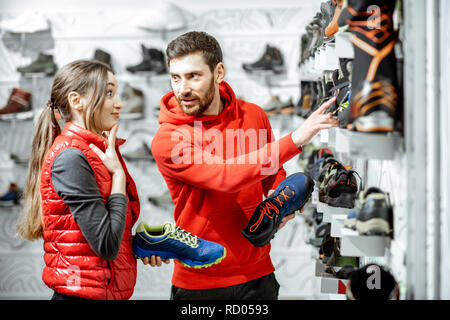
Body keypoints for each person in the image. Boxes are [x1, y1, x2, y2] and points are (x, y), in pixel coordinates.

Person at [149, 31, 339, 300]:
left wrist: (282, 202)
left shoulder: (253, 115)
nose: (182, 89)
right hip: (199, 281)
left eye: (193, 76)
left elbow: (271, 175)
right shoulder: (168, 138)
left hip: (257, 275)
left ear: (219, 72)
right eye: (175, 77)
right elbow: (224, 176)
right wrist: (296, 138)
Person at [16, 60, 146, 300]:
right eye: (109, 93)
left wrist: (139, 247)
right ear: (77, 101)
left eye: (116, 93)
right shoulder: (71, 158)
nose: (119, 103)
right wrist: (117, 176)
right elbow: (106, 245)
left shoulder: (93, 151)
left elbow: (103, 235)